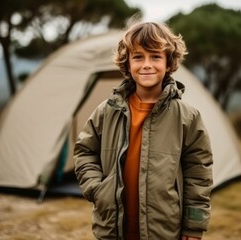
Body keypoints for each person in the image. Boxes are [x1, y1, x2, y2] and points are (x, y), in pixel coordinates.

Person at [74, 20, 213, 240]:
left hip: (164, 230)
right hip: (113, 229)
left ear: (168, 63)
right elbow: (85, 151)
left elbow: (199, 173)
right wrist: (97, 189)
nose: (146, 64)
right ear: (127, 63)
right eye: (138, 57)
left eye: (155, 56)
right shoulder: (106, 111)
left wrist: (194, 225)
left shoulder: (187, 117)